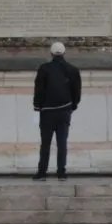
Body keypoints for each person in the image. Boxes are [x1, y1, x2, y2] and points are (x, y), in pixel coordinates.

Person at [32, 40, 81, 179]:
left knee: (45, 143)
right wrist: (73, 106)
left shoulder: (44, 69)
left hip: (47, 111)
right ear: (64, 53)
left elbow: (39, 90)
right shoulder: (72, 69)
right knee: (62, 142)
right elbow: (77, 92)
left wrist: (37, 107)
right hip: (65, 110)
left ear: (51, 53)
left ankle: (42, 172)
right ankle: (61, 172)